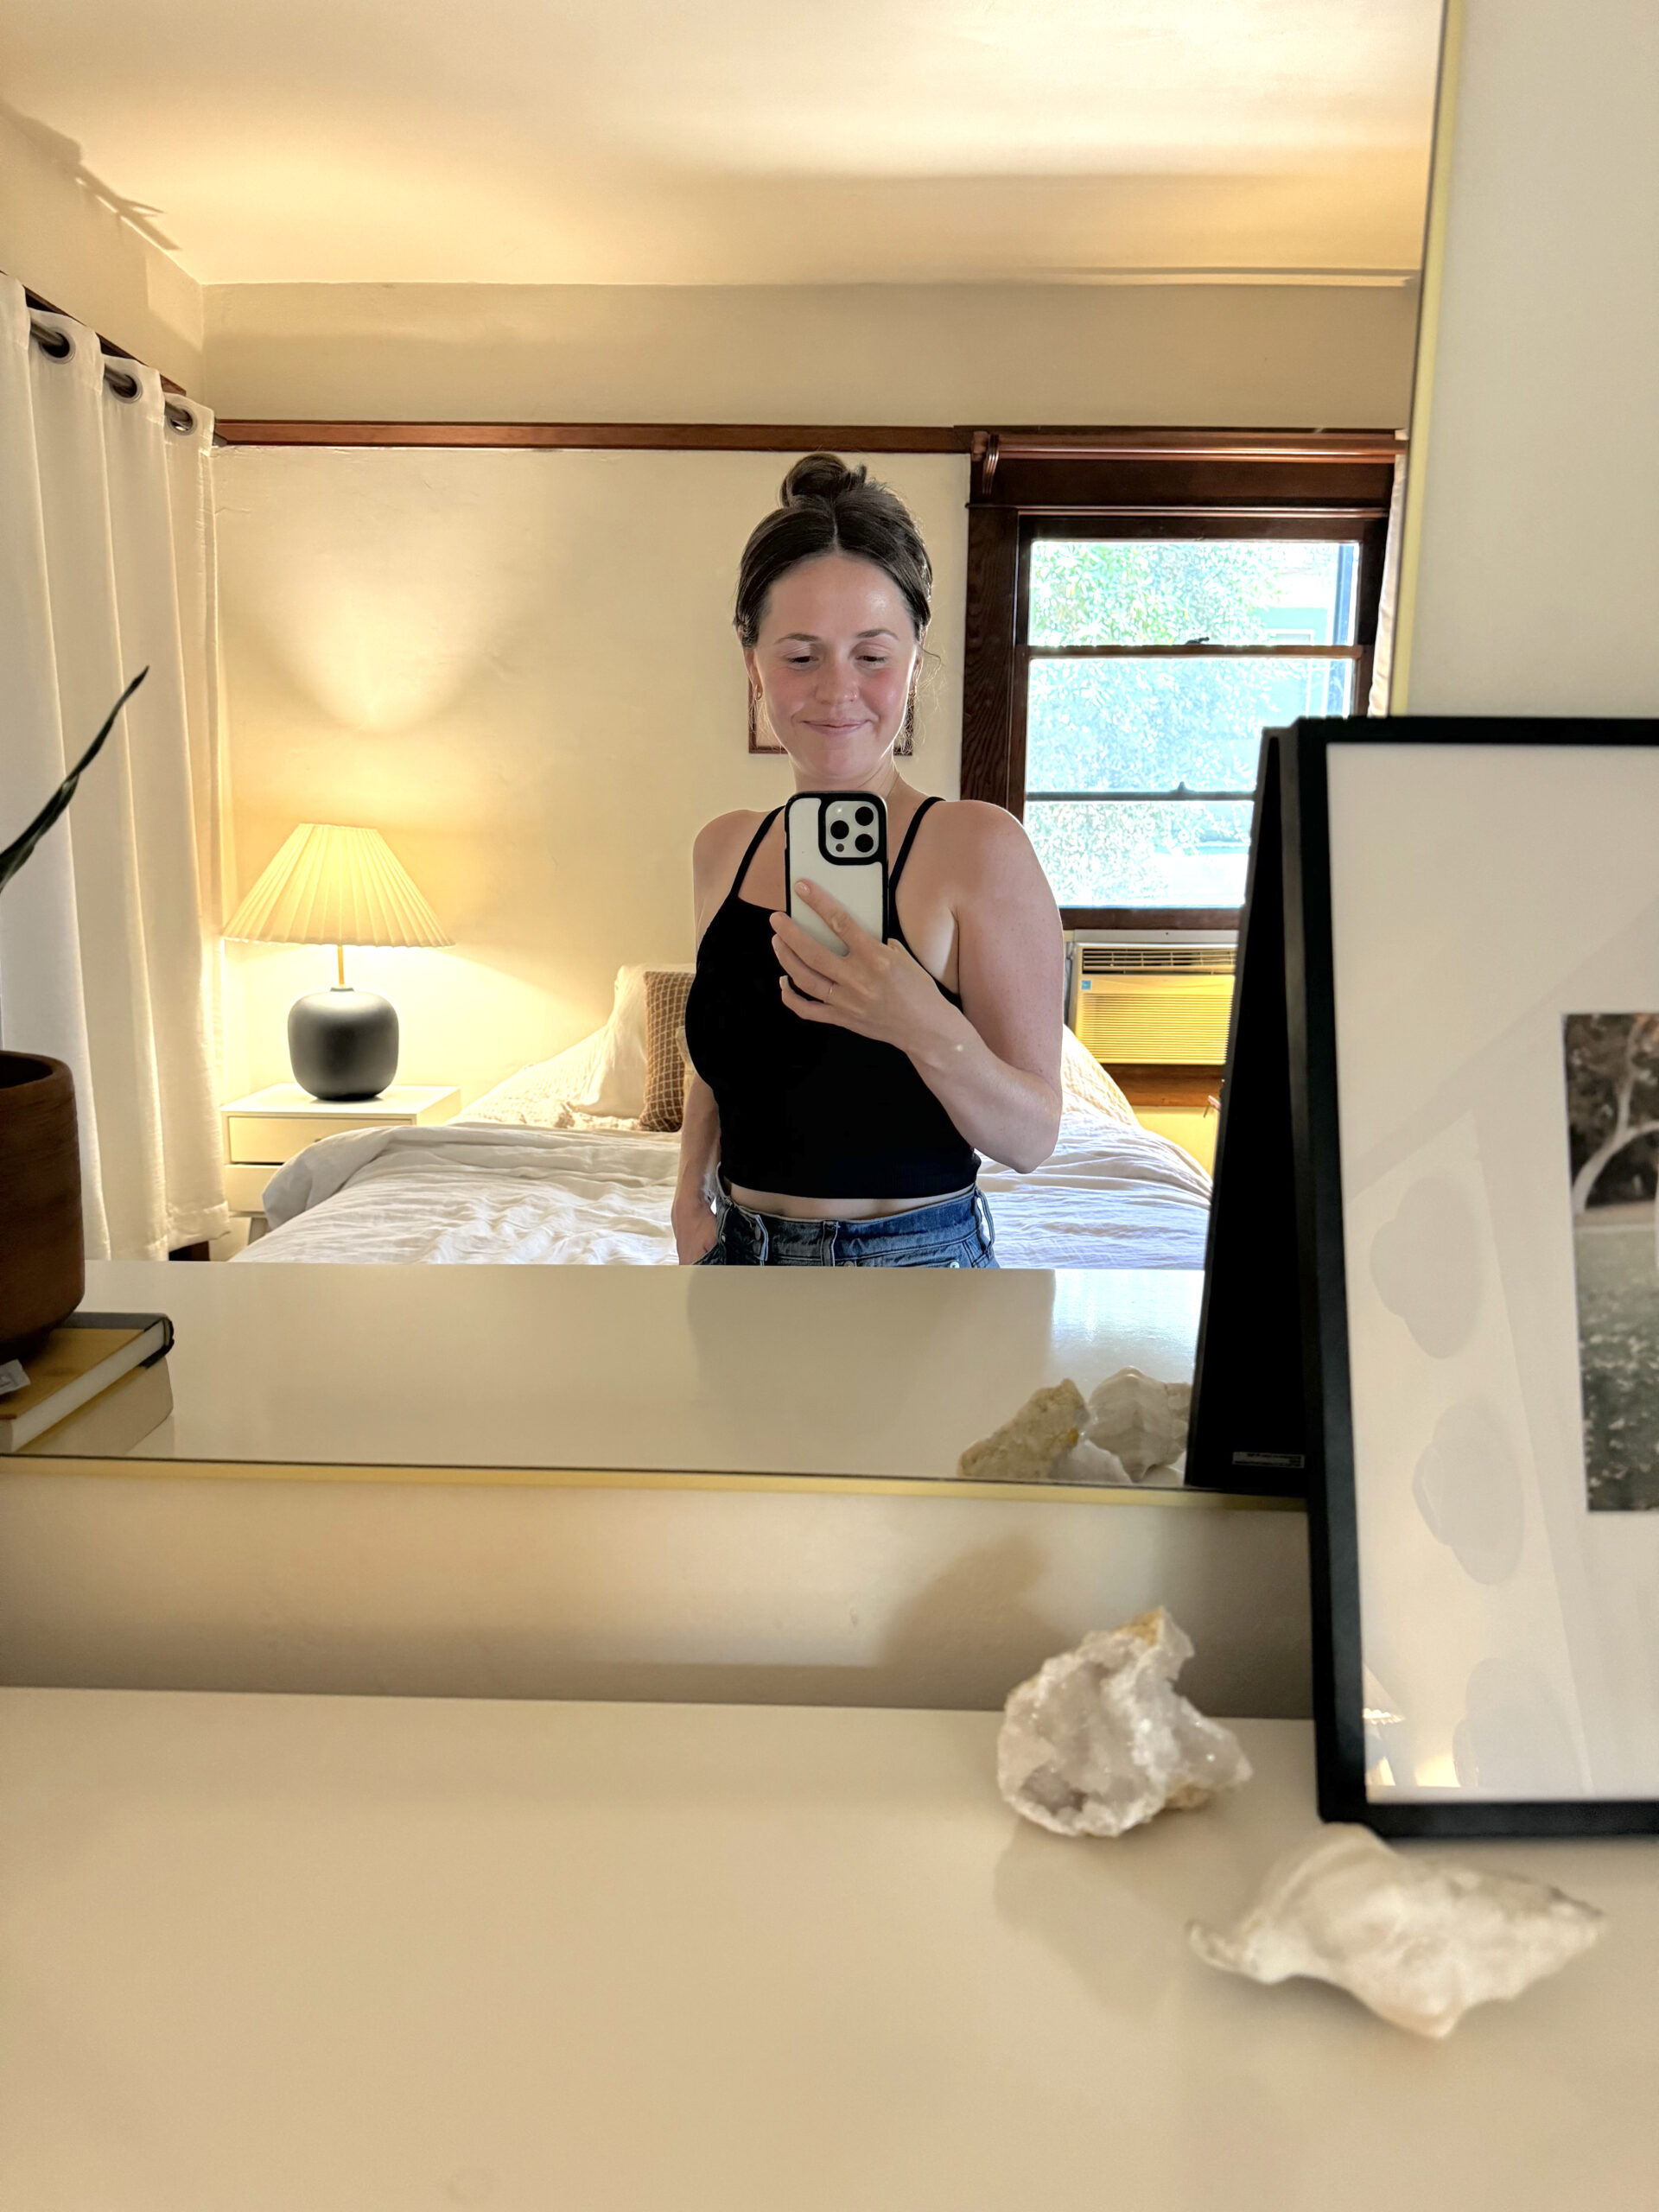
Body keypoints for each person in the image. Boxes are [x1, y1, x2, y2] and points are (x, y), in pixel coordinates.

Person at [677, 454, 1063, 1268]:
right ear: (753, 665)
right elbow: (717, 1057)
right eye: (800, 655)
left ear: (916, 659)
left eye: (873, 655)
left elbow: (1032, 1138)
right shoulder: (723, 847)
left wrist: (918, 1022)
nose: (836, 690)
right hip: (736, 1260)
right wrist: (688, 1192)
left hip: (917, 1269)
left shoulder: (978, 848)